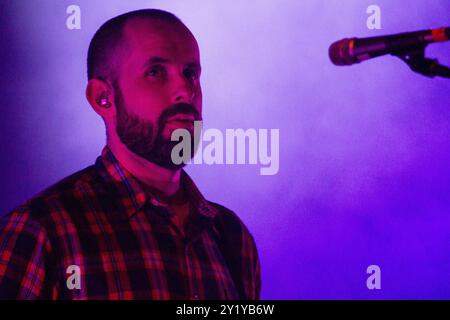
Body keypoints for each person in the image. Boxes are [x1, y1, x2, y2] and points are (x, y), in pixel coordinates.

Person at [0, 9, 260, 300]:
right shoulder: (43, 229)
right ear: (103, 97)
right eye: (155, 72)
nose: (185, 91)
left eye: (190, 73)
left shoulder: (232, 237)